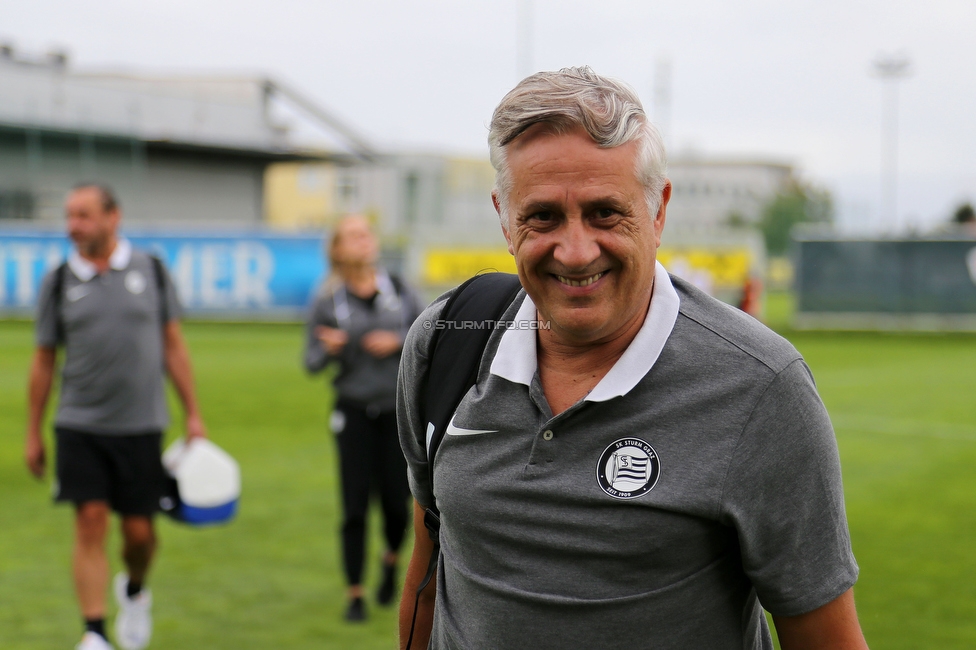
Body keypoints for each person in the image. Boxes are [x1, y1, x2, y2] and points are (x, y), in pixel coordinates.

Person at [397, 68, 868, 649]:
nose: (575, 251)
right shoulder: (445, 343)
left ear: (659, 210)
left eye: (604, 213)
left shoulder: (761, 387)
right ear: (503, 216)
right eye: (542, 216)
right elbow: (428, 566)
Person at [24, 184, 207, 650]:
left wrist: (193, 416)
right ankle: (94, 633)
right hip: (78, 424)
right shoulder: (60, 280)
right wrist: (33, 432)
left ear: (112, 217)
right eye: (69, 216)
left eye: (83, 215)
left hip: (141, 424)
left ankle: (135, 588)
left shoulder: (152, 270)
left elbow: (173, 344)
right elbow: (44, 359)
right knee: (89, 520)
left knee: (140, 534)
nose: (73, 225)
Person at [304, 215, 424, 622]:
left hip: (396, 412)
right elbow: (311, 361)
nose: (363, 241)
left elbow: (429, 335)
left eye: (366, 234)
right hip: (352, 412)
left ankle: (390, 559)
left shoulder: (400, 288)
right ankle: (354, 593)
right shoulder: (327, 301)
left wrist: (398, 339)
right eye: (353, 236)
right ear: (337, 249)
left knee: (396, 503)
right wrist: (331, 349)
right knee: (354, 505)